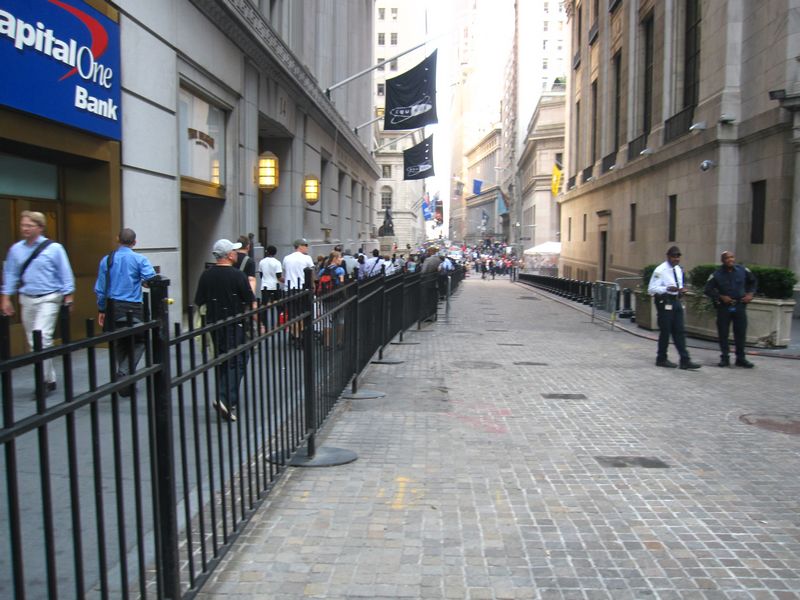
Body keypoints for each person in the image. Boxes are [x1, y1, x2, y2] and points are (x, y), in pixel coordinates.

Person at [1, 211, 75, 396]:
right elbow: (11, 274)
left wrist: (69, 296)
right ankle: (50, 378)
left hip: (49, 297)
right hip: (27, 298)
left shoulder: (54, 248)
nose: (25, 229)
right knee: (33, 341)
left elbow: (65, 272)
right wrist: (6, 297)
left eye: (29, 225)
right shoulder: (16, 250)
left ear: (40, 227)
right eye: (23, 225)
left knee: (41, 339)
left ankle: (41, 382)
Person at [195, 239, 256, 421]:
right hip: (234, 323)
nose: (236, 254)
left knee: (222, 359)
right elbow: (249, 300)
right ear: (229, 255)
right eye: (234, 252)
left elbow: (199, 300)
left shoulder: (206, 275)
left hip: (214, 323)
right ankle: (224, 398)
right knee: (239, 359)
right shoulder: (238, 275)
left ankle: (228, 400)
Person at [94, 228, 157, 396]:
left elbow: (100, 289)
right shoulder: (140, 259)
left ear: (117, 239)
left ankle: (125, 380)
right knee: (140, 341)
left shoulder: (107, 260)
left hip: (113, 307)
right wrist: (142, 283)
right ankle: (124, 373)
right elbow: (152, 280)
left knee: (120, 342)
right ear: (134, 242)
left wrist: (101, 309)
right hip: (134, 307)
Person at [647, 246, 701, 370]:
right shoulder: (660, 270)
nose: (676, 259)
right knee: (665, 331)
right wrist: (666, 288)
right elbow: (651, 289)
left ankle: (685, 360)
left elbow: (679, 285)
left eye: (678, 256)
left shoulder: (678, 269)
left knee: (680, 331)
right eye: (673, 256)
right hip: (665, 302)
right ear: (668, 256)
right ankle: (661, 358)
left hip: (676, 301)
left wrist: (681, 290)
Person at [703, 251, 757, 368]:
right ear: (722, 260)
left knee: (740, 333)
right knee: (723, 333)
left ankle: (740, 358)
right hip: (724, 307)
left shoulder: (742, 270)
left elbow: (753, 281)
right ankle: (725, 358)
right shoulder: (717, 274)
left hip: (739, 305)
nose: (730, 260)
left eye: (732, 257)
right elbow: (707, 289)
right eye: (727, 258)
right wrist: (720, 297)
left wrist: (750, 294)